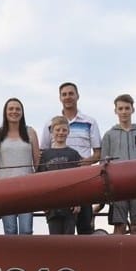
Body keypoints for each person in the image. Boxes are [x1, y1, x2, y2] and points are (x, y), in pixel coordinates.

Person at [39, 82, 102, 234]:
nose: (68, 97)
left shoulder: (89, 122)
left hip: (83, 182)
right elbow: (44, 153)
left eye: (71, 93)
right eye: (64, 94)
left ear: (77, 96)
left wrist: (78, 165)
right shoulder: (50, 123)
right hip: (57, 186)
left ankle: (84, 258)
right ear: (60, 98)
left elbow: (98, 154)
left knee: (84, 226)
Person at [103, 93, 136, 233]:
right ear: (115, 111)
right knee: (119, 225)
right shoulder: (109, 135)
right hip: (117, 186)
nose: (124, 112)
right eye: (120, 109)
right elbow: (103, 164)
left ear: (133, 109)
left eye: (127, 108)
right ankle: (116, 254)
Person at [0, 98, 40, 234]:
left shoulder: (30, 132)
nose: (14, 112)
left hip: (27, 188)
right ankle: (10, 256)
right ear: (5, 112)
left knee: (26, 229)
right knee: (10, 229)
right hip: (5, 189)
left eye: (18, 109)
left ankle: (27, 256)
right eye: (11, 109)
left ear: (22, 112)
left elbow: (37, 162)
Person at [38, 116, 84, 234]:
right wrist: (43, 203)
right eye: (58, 130)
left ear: (68, 132)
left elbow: (79, 181)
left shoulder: (74, 154)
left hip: (70, 205)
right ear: (52, 131)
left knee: (69, 241)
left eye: (64, 130)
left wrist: (77, 201)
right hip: (52, 206)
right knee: (55, 241)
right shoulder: (45, 155)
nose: (61, 133)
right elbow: (40, 180)